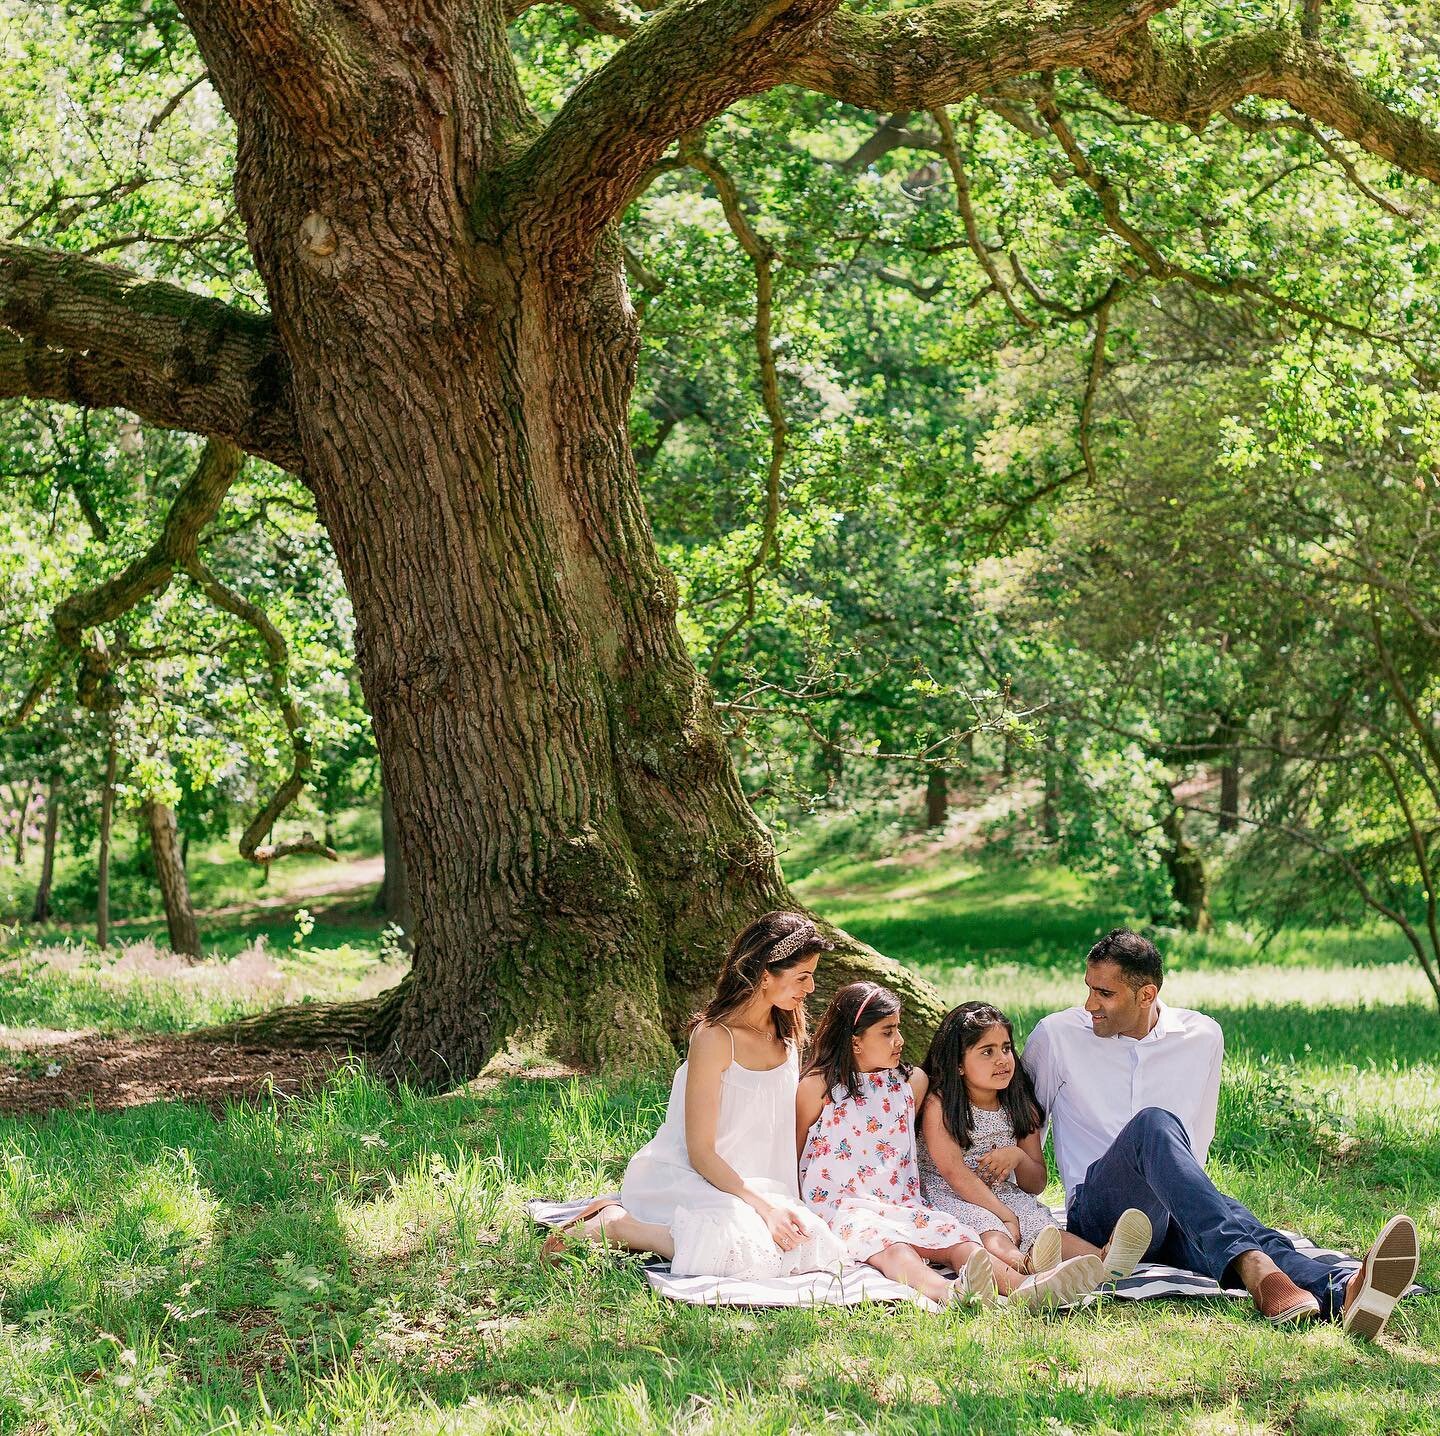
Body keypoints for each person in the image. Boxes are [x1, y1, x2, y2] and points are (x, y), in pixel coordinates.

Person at [1022, 928, 1420, 1337]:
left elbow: (1197, 1142)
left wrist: (1197, 1207)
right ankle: (1257, 1268)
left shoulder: (1202, 1036)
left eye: (1105, 993)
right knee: (1153, 1124)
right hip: (1101, 1211)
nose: (1090, 1004)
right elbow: (1023, 1129)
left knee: (1249, 1232)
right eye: (1089, 989)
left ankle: (1345, 1291)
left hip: (1174, 1205)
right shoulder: (1057, 1036)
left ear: (1146, 994)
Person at [545, 911, 845, 1277]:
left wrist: (784, 1202)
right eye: (803, 977)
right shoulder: (714, 1038)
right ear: (765, 974)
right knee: (742, 1255)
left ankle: (713, 1232)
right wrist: (765, 1209)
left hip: (758, 1186)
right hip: (694, 1177)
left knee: (815, 1247)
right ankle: (617, 1226)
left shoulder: (788, 1033)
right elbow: (700, 1153)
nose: (811, 988)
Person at [797, 981, 1105, 1308]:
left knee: (961, 1242)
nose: (899, 1040)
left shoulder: (911, 1083)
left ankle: (1027, 1287)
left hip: (901, 1201)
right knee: (895, 1249)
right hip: (842, 1204)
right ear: (854, 1040)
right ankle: (951, 1294)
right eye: (887, 1032)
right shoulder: (819, 1086)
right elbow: (796, 1149)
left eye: (897, 1028)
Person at [918, 1000, 1152, 1283]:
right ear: (958, 1066)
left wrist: (1017, 1156)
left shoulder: (1019, 1104)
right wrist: (1005, 1215)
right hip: (951, 1194)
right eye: (987, 1052)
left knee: (1043, 1228)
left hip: (1003, 1193)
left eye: (1006, 1048)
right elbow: (954, 1173)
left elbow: (1035, 1183)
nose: (1002, 1059)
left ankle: (1104, 1261)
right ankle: (1027, 1265)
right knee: (991, 1229)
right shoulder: (940, 1104)